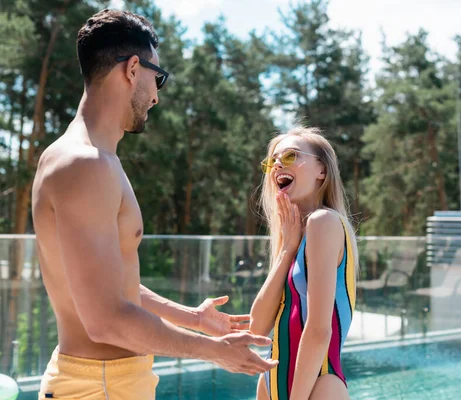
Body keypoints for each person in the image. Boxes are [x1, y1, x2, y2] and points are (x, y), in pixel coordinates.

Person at [31, 9, 276, 400]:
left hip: (105, 381)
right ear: (132, 69)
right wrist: (213, 351)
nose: (157, 95)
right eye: (156, 77)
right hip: (101, 385)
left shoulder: (85, 159)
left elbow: (108, 284)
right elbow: (106, 320)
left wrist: (193, 318)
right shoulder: (85, 165)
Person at [250, 127, 358, 400]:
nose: (277, 165)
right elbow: (257, 328)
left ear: (321, 169)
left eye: (289, 156)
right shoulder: (294, 236)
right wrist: (287, 248)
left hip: (317, 386)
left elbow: (321, 330)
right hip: (271, 382)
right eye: (272, 161)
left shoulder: (324, 222)